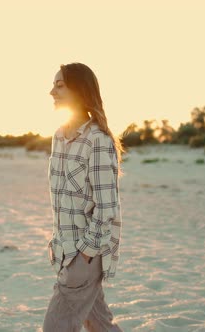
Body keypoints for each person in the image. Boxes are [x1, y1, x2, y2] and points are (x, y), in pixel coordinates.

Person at [43, 62, 125, 331]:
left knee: (55, 327)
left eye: (59, 85)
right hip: (65, 251)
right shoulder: (58, 136)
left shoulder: (97, 139)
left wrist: (86, 255)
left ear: (78, 90)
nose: (52, 92)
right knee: (100, 325)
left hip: (84, 256)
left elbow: (107, 206)